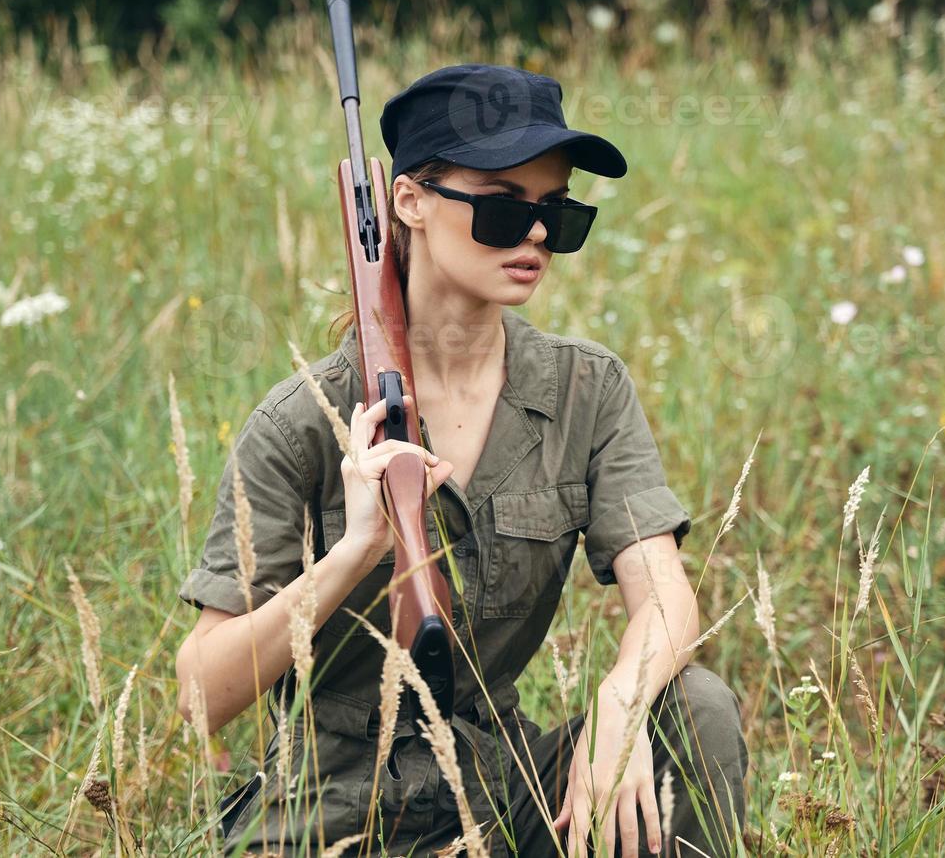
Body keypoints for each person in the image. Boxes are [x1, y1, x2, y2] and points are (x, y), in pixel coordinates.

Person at [174, 64, 748, 857]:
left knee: (696, 709)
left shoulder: (587, 388)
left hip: (501, 781)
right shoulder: (302, 418)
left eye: (558, 211)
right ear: (409, 200)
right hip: (336, 806)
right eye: (505, 209)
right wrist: (354, 552)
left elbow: (666, 598)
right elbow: (202, 693)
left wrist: (620, 701)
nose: (540, 234)